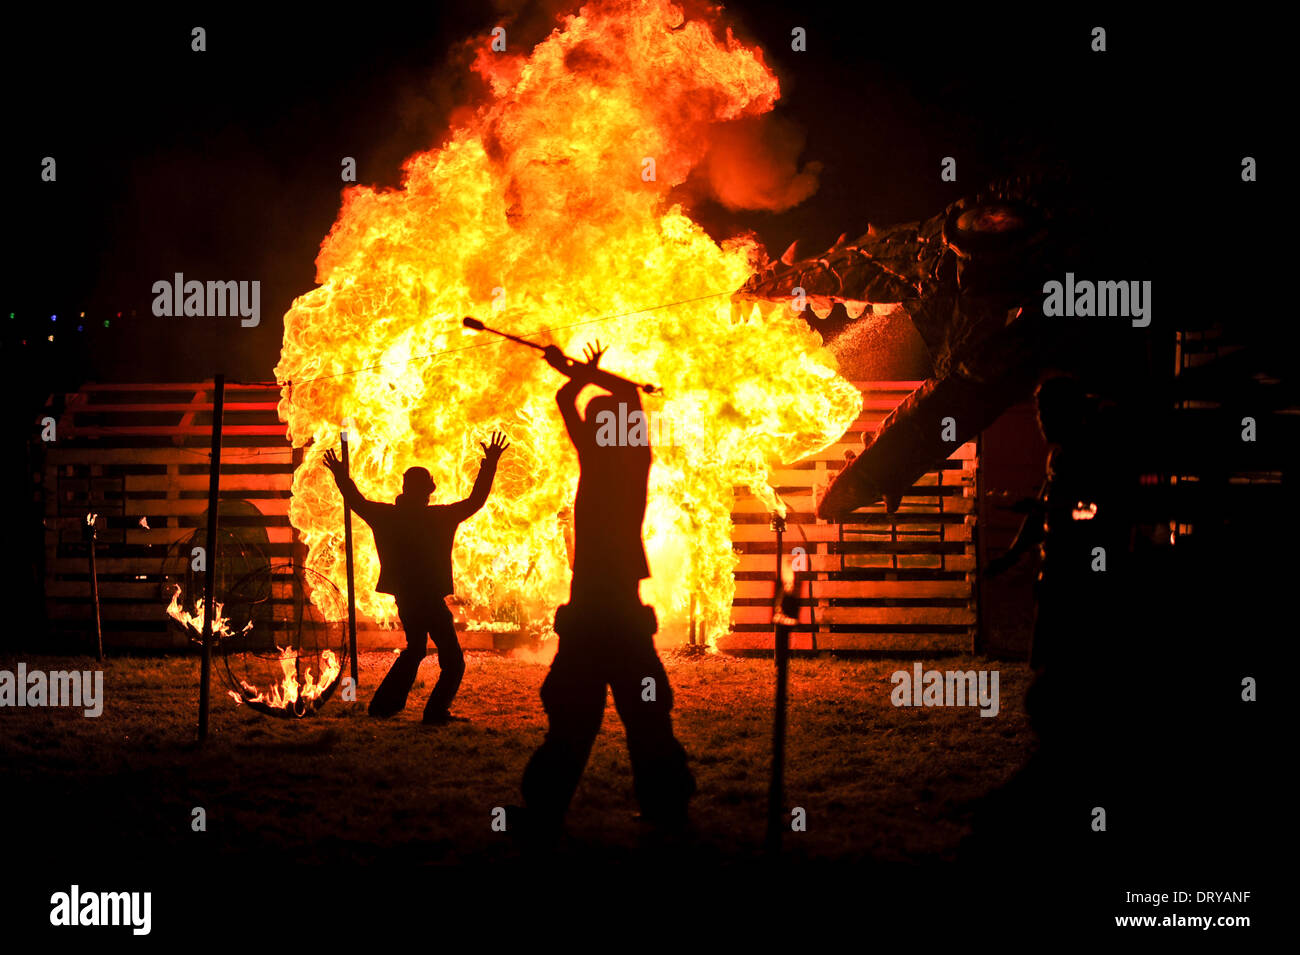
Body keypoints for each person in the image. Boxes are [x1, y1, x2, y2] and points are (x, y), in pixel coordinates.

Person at [518, 341, 695, 841]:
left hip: (598, 608)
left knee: (579, 711)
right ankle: (664, 803)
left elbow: (569, 403)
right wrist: (581, 372)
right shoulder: (628, 457)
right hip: (614, 607)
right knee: (640, 709)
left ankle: (548, 806)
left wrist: (577, 373)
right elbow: (587, 403)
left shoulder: (611, 457)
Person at [322, 432, 508, 723]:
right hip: (430, 600)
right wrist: (490, 464)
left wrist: (340, 474)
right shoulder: (439, 517)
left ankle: (383, 706)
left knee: (415, 649)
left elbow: (356, 500)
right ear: (427, 492)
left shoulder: (386, 516)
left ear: (405, 488)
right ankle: (434, 712)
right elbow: (476, 500)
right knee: (453, 662)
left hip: (406, 599)